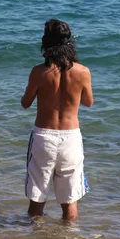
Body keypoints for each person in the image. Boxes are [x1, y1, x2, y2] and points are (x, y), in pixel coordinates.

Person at [21, 19, 94, 220]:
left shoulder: (38, 72)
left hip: (43, 137)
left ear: (46, 43)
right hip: (71, 138)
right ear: (70, 42)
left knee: (37, 197)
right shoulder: (83, 72)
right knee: (69, 200)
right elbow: (88, 102)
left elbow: (25, 103)